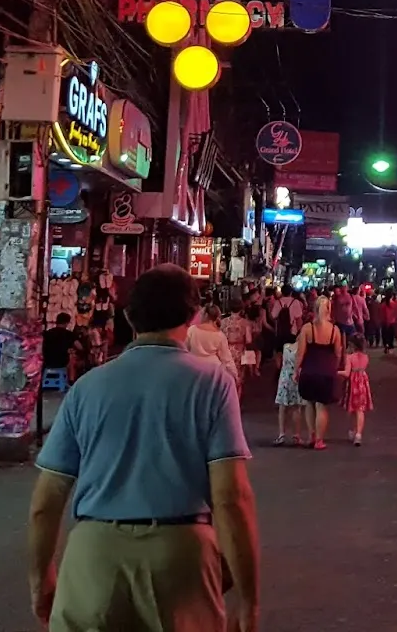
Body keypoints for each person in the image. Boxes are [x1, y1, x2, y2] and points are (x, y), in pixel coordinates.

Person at [28, 264, 258, 632]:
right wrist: (248, 599)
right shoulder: (212, 383)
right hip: (179, 553)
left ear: (128, 316)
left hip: (93, 556)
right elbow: (231, 497)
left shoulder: (88, 387)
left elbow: (46, 502)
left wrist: (42, 580)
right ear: (192, 314)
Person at [296, 297, 344, 449]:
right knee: (321, 406)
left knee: (309, 403)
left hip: (309, 370)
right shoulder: (334, 330)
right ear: (329, 309)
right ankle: (319, 440)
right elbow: (338, 353)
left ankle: (311, 435)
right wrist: (335, 368)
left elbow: (300, 352)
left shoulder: (307, 328)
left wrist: (296, 369)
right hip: (326, 372)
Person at [187, 302, 238, 378]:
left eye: (201, 314)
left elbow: (184, 349)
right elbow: (227, 359)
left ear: (206, 315)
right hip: (213, 371)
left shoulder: (192, 330)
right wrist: (235, 374)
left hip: (194, 369)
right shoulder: (220, 335)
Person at [340, 334, 374, 447]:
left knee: (353, 409)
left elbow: (346, 373)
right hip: (363, 383)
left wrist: (335, 372)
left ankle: (354, 431)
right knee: (360, 409)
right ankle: (358, 433)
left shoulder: (349, 357)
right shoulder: (365, 357)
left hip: (353, 384)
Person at [274, 334, 306, 446]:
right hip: (296, 378)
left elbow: (280, 361)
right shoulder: (303, 350)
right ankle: (296, 435)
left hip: (284, 378)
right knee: (296, 407)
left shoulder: (286, 346)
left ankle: (281, 434)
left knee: (282, 407)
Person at [43, 313, 79, 380]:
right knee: (72, 358)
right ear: (66, 323)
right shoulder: (69, 334)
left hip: (47, 362)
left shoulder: (47, 333)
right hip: (61, 363)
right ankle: (71, 380)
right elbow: (79, 347)